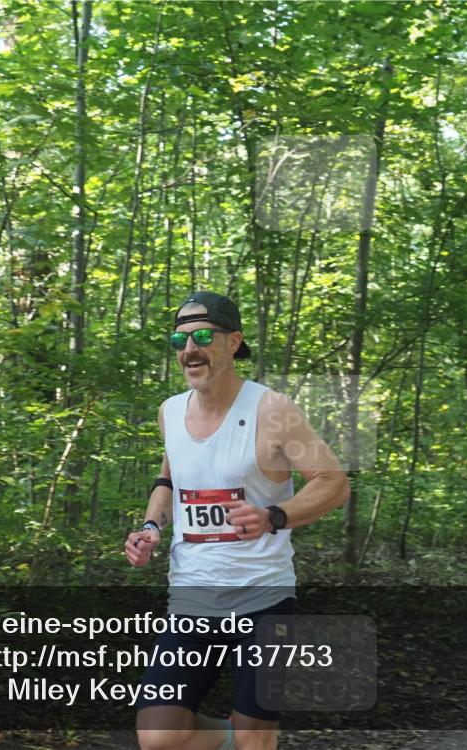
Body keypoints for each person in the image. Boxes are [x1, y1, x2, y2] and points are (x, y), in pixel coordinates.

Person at [125, 291, 350, 750]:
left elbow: (333, 481)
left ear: (233, 342)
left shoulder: (272, 410)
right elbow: (169, 479)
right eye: (180, 339)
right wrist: (150, 528)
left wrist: (275, 516)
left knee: (256, 742)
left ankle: (252, 738)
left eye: (203, 337)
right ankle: (241, 737)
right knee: (157, 735)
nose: (189, 350)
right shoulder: (170, 411)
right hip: (193, 597)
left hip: (263, 599)